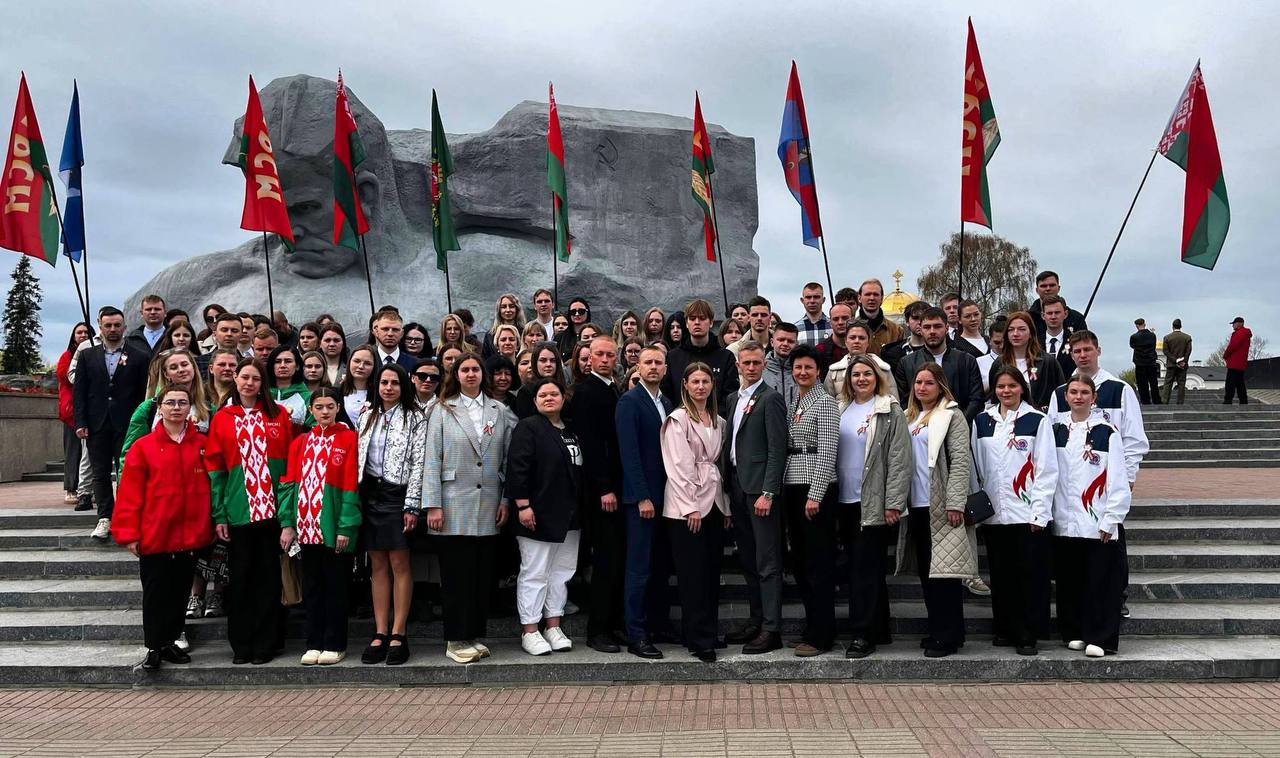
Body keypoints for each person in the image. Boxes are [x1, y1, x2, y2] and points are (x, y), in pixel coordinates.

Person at [424, 354, 518, 664]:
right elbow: (432, 459)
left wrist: (505, 500)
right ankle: (455, 638)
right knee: (456, 575)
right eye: (464, 369)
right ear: (456, 374)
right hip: (452, 503)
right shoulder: (441, 409)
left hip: (488, 503)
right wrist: (433, 505)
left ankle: (473, 634)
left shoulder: (498, 410)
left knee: (480, 575)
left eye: (475, 369)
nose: (470, 374)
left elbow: (507, 459)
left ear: (482, 374)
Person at [112, 384, 213, 670]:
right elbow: (129, 493)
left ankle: (170, 641)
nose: (176, 408)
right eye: (170, 403)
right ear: (160, 408)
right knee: (156, 593)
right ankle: (154, 646)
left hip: (190, 534)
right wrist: (129, 534)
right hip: (155, 533)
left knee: (180, 591)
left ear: (190, 408)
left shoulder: (202, 444)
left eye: (182, 403)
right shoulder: (143, 447)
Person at [205, 358, 294, 665]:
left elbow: (288, 469)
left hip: (271, 513)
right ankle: (241, 645)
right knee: (241, 580)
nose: (249, 383)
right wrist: (219, 514)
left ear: (262, 383)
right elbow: (216, 469)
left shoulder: (278, 415)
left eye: (255, 378)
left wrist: (287, 517)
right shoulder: (223, 418)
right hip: (238, 512)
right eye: (245, 377)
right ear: (235, 379)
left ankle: (267, 643)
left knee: (268, 580)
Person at [971, 366, 1059, 656]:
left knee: (1029, 577)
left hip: (1027, 513)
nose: (1006, 391)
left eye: (1011, 385)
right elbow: (977, 467)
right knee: (1001, 575)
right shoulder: (982, 421)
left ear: (1022, 387)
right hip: (995, 515)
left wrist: (1039, 512)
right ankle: (1005, 628)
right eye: (1000, 386)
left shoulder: (1037, 420)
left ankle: (1027, 633)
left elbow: (1046, 469)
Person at [894, 363, 977, 658]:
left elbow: (961, 460)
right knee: (928, 572)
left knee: (945, 574)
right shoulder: (908, 417)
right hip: (916, 504)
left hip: (941, 503)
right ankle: (939, 629)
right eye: (918, 382)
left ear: (940, 386)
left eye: (928, 382)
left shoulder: (952, 415)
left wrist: (956, 502)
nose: (922, 388)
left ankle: (948, 636)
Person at [277, 388, 361, 666]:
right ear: (311, 410)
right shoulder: (300, 442)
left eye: (330, 406)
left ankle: (335, 644)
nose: (325, 412)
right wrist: (288, 523)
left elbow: (350, 485)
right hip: (306, 528)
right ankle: (313, 642)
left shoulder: (348, 439)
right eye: (319, 407)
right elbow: (288, 484)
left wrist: (346, 526)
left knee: (336, 587)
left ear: (338, 408)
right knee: (312, 588)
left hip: (334, 527)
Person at [835, 354, 909, 658]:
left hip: (874, 501)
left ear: (877, 377)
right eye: (856, 375)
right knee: (865, 567)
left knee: (864, 570)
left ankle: (862, 634)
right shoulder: (841, 408)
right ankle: (880, 627)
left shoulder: (889, 409)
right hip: (844, 500)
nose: (861, 379)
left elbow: (899, 459)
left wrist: (893, 503)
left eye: (867, 374)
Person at [1052, 375, 1131, 657]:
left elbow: (1118, 479)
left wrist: (1112, 517)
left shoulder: (1107, 432)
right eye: (1073, 392)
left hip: (1096, 520)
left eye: (1085, 392)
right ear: (1065, 397)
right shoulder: (1055, 430)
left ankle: (1101, 637)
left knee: (1101, 582)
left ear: (1094, 398)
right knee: (1070, 580)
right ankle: (1074, 631)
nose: (1078, 397)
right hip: (1064, 520)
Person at [505, 378, 582, 656]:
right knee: (535, 572)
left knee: (561, 572)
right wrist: (523, 505)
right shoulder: (528, 427)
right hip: (537, 513)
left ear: (563, 398)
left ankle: (553, 625)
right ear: (535, 401)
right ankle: (530, 629)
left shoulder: (571, 430)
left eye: (554, 394)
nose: (549, 398)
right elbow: (517, 468)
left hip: (570, 515)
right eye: (543, 395)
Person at [355, 363, 426, 666]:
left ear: (403, 386)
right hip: (370, 493)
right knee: (377, 564)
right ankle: (380, 630)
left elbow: (419, 463)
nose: (388, 388)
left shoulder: (415, 417)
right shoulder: (366, 415)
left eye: (394, 383)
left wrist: (412, 505)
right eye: (384, 382)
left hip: (398, 494)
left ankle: (399, 632)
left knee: (399, 562)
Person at [720, 340, 788, 654]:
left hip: (760, 492)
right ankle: (756, 620)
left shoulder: (771, 398)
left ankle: (772, 629)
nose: (751, 367)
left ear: (764, 364)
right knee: (747, 559)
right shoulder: (733, 398)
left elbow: (777, 449)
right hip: (736, 486)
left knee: (767, 561)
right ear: (738, 365)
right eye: (746, 363)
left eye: (756, 363)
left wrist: (769, 492)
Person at [661, 362, 730, 662]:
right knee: (693, 574)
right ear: (685, 385)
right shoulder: (678, 420)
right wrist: (690, 506)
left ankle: (707, 631)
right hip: (686, 507)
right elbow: (678, 467)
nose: (701, 386)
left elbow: (719, 465)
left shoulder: (718, 420)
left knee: (711, 572)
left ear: (712, 385)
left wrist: (724, 505)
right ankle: (698, 639)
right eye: (695, 382)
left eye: (705, 381)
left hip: (713, 501)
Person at [566, 337, 629, 653]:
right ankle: (598, 630)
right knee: (606, 559)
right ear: (589, 359)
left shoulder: (612, 387)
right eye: (599, 355)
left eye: (610, 355)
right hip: (601, 490)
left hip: (616, 485)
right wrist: (604, 487)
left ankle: (614, 624)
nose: (604, 359)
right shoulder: (586, 391)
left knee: (616, 559)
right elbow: (590, 444)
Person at [615, 345, 675, 658]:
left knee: (661, 565)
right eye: (648, 362)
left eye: (658, 362)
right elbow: (629, 454)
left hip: (668, 496)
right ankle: (636, 634)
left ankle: (659, 624)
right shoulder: (629, 401)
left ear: (665, 368)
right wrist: (642, 496)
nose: (653, 367)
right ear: (638, 366)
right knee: (638, 568)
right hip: (643, 500)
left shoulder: (666, 402)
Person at [781, 345, 840, 657]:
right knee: (801, 563)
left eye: (808, 367)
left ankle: (822, 634)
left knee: (818, 564)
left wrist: (816, 494)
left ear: (819, 371)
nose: (802, 372)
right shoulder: (795, 401)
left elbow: (828, 451)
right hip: (793, 483)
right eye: (798, 367)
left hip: (815, 489)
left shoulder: (826, 402)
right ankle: (811, 627)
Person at [74, 306, 151, 541]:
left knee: (126, 471)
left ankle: (127, 516)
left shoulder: (140, 356)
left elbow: (143, 393)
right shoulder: (88, 356)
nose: (113, 329)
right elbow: (80, 392)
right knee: (100, 473)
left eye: (117, 325)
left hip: (128, 423)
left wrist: (142, 422)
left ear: (124, 327)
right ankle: (105, 517)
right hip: (97, 422)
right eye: (108, 325)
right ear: (100, 327)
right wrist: (80, 421)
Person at [1048, 332, 1149, 488]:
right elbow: (1050, 439)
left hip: (1108, 477)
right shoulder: (1060, 393)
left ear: (1098, 351)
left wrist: (1128, 477)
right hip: (1067, 481)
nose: (1083, 355)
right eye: (1077, 351)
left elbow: (1134, 438)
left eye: (1087, 349)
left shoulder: (1120, 390)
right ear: (1072, 355)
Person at [120, 349, 213, 463]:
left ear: (193, 367)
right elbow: (130, 453)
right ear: (166, 374)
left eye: (184, 365)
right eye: (173, 367)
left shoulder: (209, 408)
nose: (181, 370)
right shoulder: (149, 408)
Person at [895, 307, 985, 421]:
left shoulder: (967, 361)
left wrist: (958, 423)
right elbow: (905, 402)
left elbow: (976, 400)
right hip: (920, 426)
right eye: (927, 327)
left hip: (961, 425)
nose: (932, 331)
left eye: (937, 326)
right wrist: (922, 424)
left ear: (946, 328)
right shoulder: (906, 363)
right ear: (921, 330)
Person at [662, 299, 739, 409]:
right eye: (692, 318)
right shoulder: (673, 357)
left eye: (702, 318)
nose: (697, 322)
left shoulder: (726, 357)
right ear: (686, 323)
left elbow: (730, 396)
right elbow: (667, 395)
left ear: (711, 322)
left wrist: (713, 417)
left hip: (716, 418)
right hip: (680, 417)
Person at [990, 311, 1064, 411]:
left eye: (1022, 329)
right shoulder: (999, 364)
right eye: (1011, 330)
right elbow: (994, 399)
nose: (1015, 334)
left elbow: (1061, 394)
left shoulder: (1047, 362)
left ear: (1031, 333)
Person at [58, 322, 96, 510]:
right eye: (79, 332)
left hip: (93, 409)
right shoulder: (68, 356)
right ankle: (71, 488)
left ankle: (91, 488)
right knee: (73, 452)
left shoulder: (96, 352)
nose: (82, 335)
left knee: (91, 453)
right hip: (72, 411)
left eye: (86, 332)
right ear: (73, 336)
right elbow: (66, 377)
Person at [824, 321, 893, 405]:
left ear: (868, 342)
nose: (857, 341)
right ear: (846, 341)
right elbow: (827, 405)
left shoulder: (882, 369)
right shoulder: (834, 371)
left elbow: (893, 401)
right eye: (852, 338)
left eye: (861, 338)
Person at [1028, 270, 1088, 338]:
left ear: (1058, 288)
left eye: (1052, 285)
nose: (1048, 288)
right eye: (1043, 286)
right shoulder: (1028, 319)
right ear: (1037, 290)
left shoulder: (1076, 319)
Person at [854, 278, 904, 356]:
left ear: (882, 298)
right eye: (867, 294)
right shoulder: (851, 329)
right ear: (859, 298)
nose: (872, 298)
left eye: (876, 294)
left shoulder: (896, 331)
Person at [266, 345, 312, 430]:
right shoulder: (262, 395)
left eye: (288, 361)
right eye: (277, 361)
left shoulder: (307, 398)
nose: (282, 365)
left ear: (297, 366)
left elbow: (313, 430)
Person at [880, 300, 930, 376]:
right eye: (915, 318)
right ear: (907, 322)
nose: (920, 322)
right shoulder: (890, 352)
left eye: (924, 318)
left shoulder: (939, 350)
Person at [516, 343, 563, 419]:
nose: (548, 364)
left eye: (553, 360)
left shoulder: (564, 389)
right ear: (535, 363)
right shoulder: (526, 392)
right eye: (543, 360)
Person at [1039, 295, 1078, 378]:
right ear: (1043, 316)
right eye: (1049, 313)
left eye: (1057, 313)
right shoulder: (1034, 343)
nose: (1053, 317)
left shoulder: (1075, 342)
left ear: (1065, 314)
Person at [482, 293, 528, 359]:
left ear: (517, 309)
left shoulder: (525, 333)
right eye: (503, 307)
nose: (508, 310)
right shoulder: (490, 335)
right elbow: (485, 359)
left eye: (511, 306)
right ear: (499, 310)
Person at [814, 302, 853, 378]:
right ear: (830, 323)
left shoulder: (862, 347)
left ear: (853, 320)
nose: (840, 322)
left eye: (845, 318)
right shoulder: (819, 351)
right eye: (835, 319)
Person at [1130, 318, 1161, 405]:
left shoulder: (1134, 337)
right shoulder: (1152, 335)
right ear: (1144, 324)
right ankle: (1156, 400)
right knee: (1153, 382)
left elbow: (1132, 346)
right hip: (1151, 361)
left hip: (1140, 362)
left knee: (1142, 383)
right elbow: (1153, 345)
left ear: (1136, 326)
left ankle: (1145, 400)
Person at [1161, 319, 1193, 404]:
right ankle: (1180, 402)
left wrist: (1175, 360)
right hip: (1183, 365)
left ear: (1172, 327)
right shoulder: (1187, 337)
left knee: (1168, 383)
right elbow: (1188, 351)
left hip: (1171, 365)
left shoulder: (1167, 337)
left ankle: (1165, 401)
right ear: (1181, 326)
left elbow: (1165, 351)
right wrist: (1183, 361)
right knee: (1181, 383)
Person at [1223, 316, 1253, 405]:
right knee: (1240, 383)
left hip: (1234, 362)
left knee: (1230, 383)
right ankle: (1243, 400)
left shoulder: (1239, 333)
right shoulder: (1246, 334)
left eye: (1234, 324)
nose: (1232, 326)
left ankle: (1228, 400)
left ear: (1239, 324)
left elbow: (1232, 346)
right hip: (1241, 363)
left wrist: (1225, 355)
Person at [795, 281, 832, 348]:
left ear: (823, 300)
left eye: (816, 297)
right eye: (808, 297)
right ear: (802, 300)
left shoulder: (832, 326)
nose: (812, 301)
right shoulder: (796, 329)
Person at [976, 319, 1007, 392]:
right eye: (997, 342)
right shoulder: (978, 362)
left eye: (1006, 342)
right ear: (990, 340)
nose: (1002, 346)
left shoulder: (1020, 359)